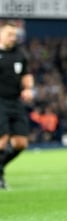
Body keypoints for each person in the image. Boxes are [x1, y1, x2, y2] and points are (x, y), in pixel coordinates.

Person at [0, 21, 35, 190]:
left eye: (14, 35)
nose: (13, 38)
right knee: (2, 139)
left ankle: (0, 168)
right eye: (9, 34)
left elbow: (26, 74)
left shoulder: (19, 53)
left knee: (21, 143)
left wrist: (28, 88)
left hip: (15, 101)